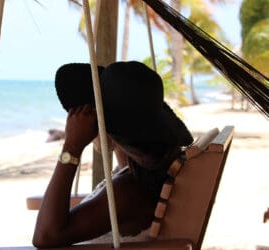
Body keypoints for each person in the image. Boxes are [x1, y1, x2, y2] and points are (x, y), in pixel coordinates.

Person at [32, 61, 193, 248]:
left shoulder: (128, 193)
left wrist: (72, 148)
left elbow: (45, 237)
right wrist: (115, 135)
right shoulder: (144, 170)